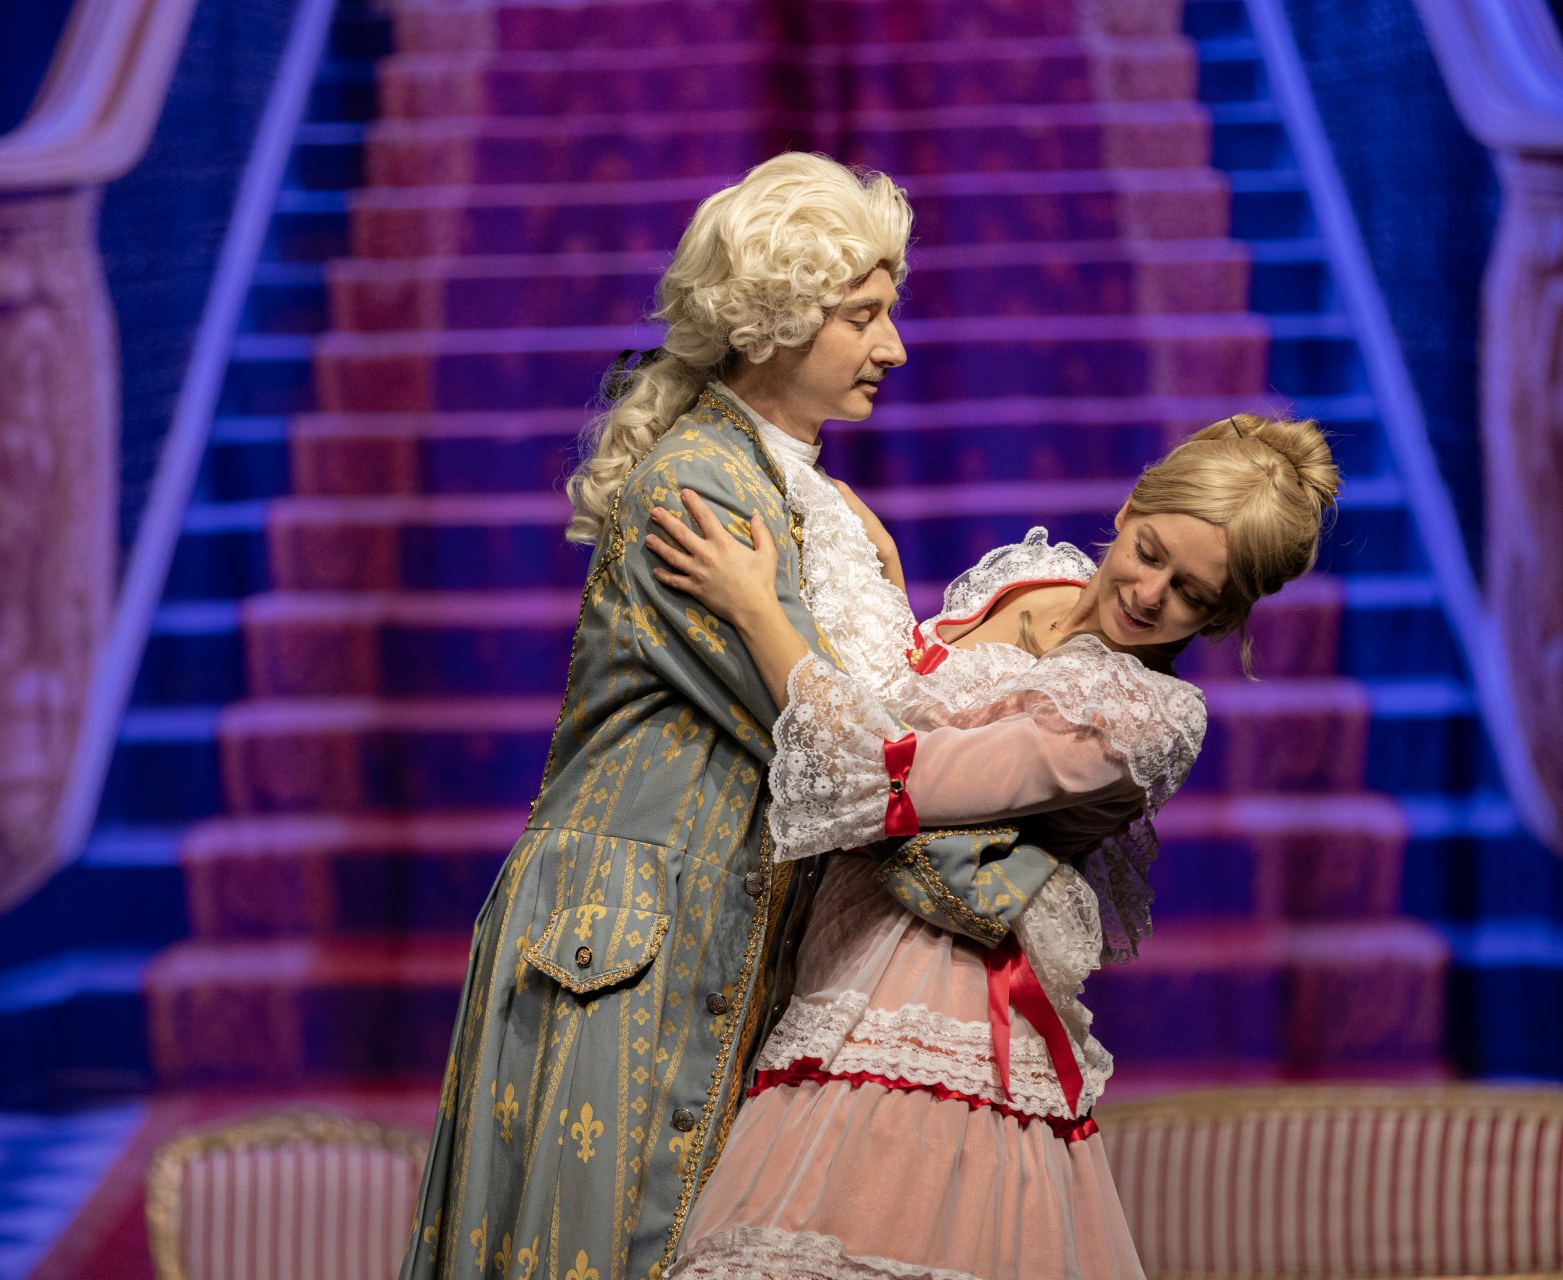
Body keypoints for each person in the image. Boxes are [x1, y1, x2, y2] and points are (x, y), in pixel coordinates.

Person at [400, 153, 1065, 1280]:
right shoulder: (701, 488)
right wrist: (1016, 881)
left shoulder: (807, 493)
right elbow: (833, 751)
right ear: (775, 322)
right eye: (862, 316)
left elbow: (870, 705)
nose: (894, 347)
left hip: (725, 935)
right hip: (630, 948)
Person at [647, 414, 1341, 1279]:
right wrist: (884, 582)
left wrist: (755, 609)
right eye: (1151, 552)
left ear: (1224, 614)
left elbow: (891, 774)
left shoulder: (1140, 713)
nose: (1150, 594)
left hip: (938, 992)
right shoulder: (1032, 578)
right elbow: (897, 691)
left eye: (1193, 596)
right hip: (841, 941)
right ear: (1129, 509)